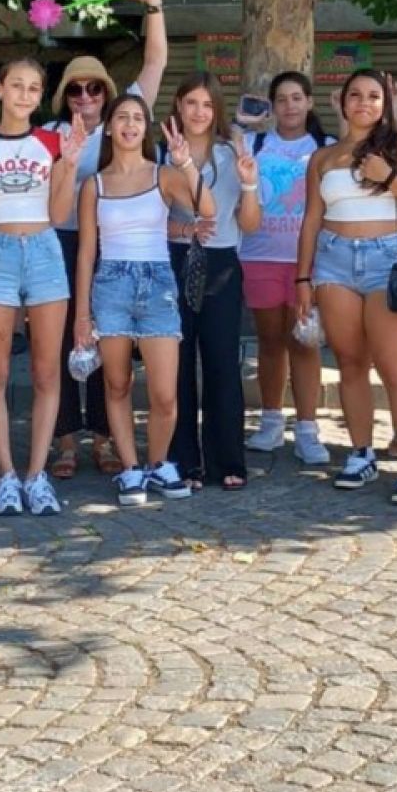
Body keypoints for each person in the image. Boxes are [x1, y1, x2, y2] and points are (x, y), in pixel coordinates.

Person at [298, 69, 397, 504]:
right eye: (356, 95)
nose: (364, 103)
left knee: (394, 367)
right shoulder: (323, 157)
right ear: (342, 102)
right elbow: (311, 219)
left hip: (387, 260)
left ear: (386, 103)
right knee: (349, 362)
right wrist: (302, 278)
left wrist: (390, 176)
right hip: (333, 261)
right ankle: (361, 453)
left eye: (374, 96)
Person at [45, 0, 168, 478]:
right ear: (64, 95)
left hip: (114, 245)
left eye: (94, 88)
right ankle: (64, 442)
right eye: (75, 89)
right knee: (60, 343)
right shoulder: (48, 136)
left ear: (108, 94)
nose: (85, 96)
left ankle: (103, 438)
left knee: (105, 339)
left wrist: (154, 7)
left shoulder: (123, 123)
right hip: (61, 243)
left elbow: (155, 63)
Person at [73, 92, 211, 505]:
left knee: (165, 394)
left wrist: (185, 163)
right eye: (122, 117)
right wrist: (82, 315)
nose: (130, 125)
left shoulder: (163, 175)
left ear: (146, 128)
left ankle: (158, 464)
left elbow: (207, 209)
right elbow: (86, 253)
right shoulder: (94, 185)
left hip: (158, 283)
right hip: (111, 283)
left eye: (137, 118)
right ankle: (131, 469)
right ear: (109, 128)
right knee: (117, 384)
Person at [0, 58, 83, 516]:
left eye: (34, 88)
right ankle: (6, 475)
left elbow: (58, 214)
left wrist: (70, 164)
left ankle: (36, 475)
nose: (25, 95)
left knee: (47, 372)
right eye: (17, 85)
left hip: (45, 251)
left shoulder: (52, 143)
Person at [165, 73, 261, 489]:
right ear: (178, 106)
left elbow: (250, 224)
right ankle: (183, 461)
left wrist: (249, 183)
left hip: (221, 261)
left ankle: (227, 461)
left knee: (222, 362)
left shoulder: (232, 152)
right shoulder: (162, 153)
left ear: (217, 109)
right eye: (191, 103)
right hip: (174, 259)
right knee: (178, 363)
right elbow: (149, 218)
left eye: (207, 104)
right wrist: (184, 230)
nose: (199, 112)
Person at [241, 72, 332, 467]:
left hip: (309, 260)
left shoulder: (326, 146)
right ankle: (271, 421)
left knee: (305, 341)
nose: (290, 106)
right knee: (270, 340)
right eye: (282, 99)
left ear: (309, 102)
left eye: (297, 97)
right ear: (273, 106)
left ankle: (308, 429)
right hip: (260, 255)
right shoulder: (255, 144)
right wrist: (243, 124)